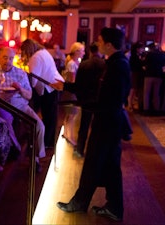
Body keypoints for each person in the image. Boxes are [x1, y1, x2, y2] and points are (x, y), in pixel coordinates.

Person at [56, 27, 131, 222]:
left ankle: (80, 203)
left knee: (93, 164)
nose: (96, 43)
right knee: (110, 166)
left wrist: (81, 103)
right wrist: (66, 87)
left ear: (108, 44)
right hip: (110, 122)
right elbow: (100, 94)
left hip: (107, 123)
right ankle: (114, 207)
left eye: (99, 40)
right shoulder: (116, 63)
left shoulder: (117, 66)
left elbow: (109, 101)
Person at [0, 47, 46, 168]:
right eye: (5, 57)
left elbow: (29, 95)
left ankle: (36, 158)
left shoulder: (20, 73)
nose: (8, 61)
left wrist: (20, 89)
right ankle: (8, 156)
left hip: (18, 104)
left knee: (40, 126)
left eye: (11, 58)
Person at [51, 42, 106, 157]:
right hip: (101, 99)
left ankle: (80, 148)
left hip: (86, 99)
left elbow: (78, 85)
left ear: (90, 51)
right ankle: (96, 152)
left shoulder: (84, 64)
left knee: (84, 125)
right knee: (99, 126)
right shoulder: (105, 64)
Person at [20, 39, 64, 149]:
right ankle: (49, 142)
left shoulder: (35, 57)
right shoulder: (44, 52)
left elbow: (33, 81)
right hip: (54, 84)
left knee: (48, 116)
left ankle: (46, 143)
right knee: (51, 116)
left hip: (48, 88)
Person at [142, 43, 165, 113]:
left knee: (147, 93)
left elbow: (144, 63)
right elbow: (163, 64)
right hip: (158, 75)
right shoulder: (162, 55)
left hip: (149, 74)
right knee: (156, 93)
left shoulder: (149, 54)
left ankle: (146, 108)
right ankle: (156, 108)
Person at [127, 42, 145, 111]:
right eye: (141, 48)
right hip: (134, 73)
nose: (142, 49)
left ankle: (131, 104)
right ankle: (130, 104)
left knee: (134, 89)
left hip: (135, 73)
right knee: (133, 89)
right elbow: (136, 65)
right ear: (137, 49)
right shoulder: (134, 56)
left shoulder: (136, 55)